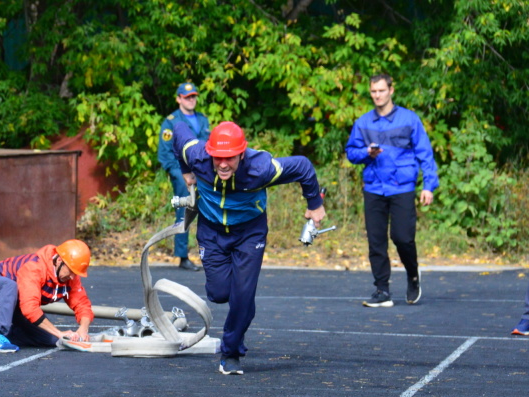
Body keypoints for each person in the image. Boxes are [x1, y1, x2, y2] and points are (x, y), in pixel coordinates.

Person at [173, 121, 326, 375]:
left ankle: (231, 353)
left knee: (242, 296)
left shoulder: (261, 169)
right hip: (211, 232)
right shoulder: (198, 156)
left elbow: (302, 166)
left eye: (230, 158)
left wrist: (314, 203)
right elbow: (179, 130)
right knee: (220, 293)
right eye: (218, 157)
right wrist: (185, 169)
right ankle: (242, 310)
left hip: (249, 233)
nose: (223, 164)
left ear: (241, 154)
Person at [345, 73, 439, 308]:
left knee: (402, 237)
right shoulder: (363, 122)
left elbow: (425, 153)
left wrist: (428, 186)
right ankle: (382, 290)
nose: (377, 95)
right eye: (373, 91)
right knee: (376, 241)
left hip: (402, 187)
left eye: (381, 90)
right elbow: (351, 153)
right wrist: (367, 153)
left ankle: (413, 274)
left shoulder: (409, 119)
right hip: (374, 188)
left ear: (391, 91)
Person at [0, 239, 95, 352]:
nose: (73, 277)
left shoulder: (70, 276)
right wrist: (59, 332)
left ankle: (10, 334)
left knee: (53, 340)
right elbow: (30, 308)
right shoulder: (35, 267)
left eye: (76, 273)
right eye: (71, 271)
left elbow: (82, 304)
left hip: (18, 301)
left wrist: (83, 329)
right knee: (10, 286)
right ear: (59, 261)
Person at [157, 82, 210, 271]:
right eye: (187, 97)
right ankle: (182, 256)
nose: (191, 100)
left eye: (193, 96)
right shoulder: (170, 121)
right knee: (185, 210)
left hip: (203, 173)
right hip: (182, 174)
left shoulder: (203, 120)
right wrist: (180, 175)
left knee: (209, 211)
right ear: (179, 98)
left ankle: (210, 254)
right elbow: (165, 154)